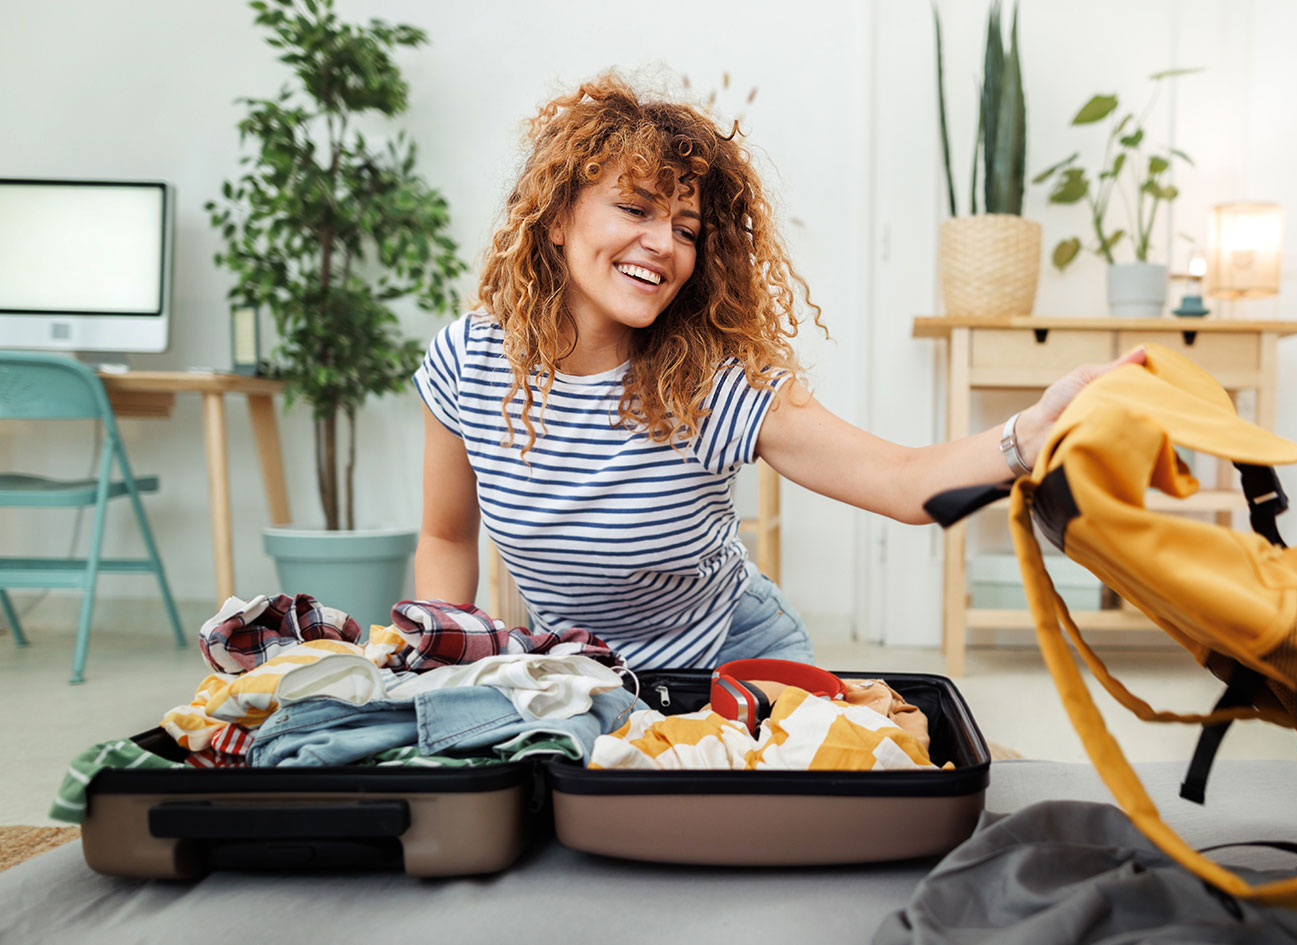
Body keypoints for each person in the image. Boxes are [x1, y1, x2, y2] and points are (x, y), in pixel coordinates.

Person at [413, 73, 1144, 670]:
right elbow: (446, 538)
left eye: (687, 229)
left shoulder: (715, 384)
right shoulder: (467, 363)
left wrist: (1030, 431)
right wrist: (448, 666)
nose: (663, 244)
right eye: (634, 208)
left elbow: (904, 482)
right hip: (575, 672)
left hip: (733, 661)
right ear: (555, 217)